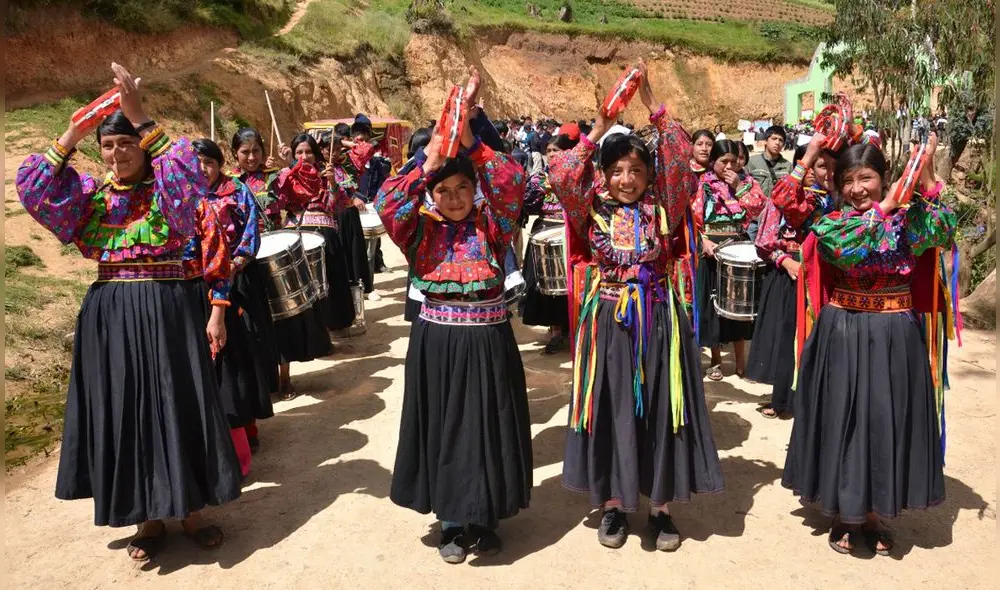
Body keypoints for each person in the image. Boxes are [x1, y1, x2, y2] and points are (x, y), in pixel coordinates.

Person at [16, 64, 240, 561]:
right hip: (110, 316)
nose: (117, 154)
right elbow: (33, 190)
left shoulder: (169, 193)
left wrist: (138, 115)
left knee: (178, 403)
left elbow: (188, 177)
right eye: (108, 146)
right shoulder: (90, 199)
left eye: (126, 144)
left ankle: (192, 512)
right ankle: (147, 519)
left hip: (167, 310)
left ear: (141, 146)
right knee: (127, 409)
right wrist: (74, 132)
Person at [551, 62, 723, 552]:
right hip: (608, 320)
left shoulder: (664, 205)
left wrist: (652, 104)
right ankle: (613, 504)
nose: (627, 180)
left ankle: (660, 507)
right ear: (604, 174)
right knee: (613, 409)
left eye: (637, 170)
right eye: (616, 171)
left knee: (662, 410)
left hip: (660, 319)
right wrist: (600, 127)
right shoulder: (590, 207)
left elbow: (682, 158)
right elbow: (561, 174)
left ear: (650, 174)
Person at [377, 68, 532, 564]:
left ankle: (483, 517)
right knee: (444, 427)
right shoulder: (417, 229)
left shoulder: (495, 226)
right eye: (443, 190)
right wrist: (431, 156)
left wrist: (468, 137)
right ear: (431, 193)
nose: (454, 197)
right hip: (437, 343)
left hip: (488, 341)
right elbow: (387, 200)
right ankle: (449, 521)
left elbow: (512, 181)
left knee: (487, 426)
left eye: (464, 187)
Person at [782, 134, 956, 556]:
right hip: (843, 331)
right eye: (848, 180)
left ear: (884, 177)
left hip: (895, 336)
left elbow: (943, 230)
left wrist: (925, 172)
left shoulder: (906, 221)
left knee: (885, 421)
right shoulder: (833, 222)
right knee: (844, 420)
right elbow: (844, 248)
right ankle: (846, 513)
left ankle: (876, 513)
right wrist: (888, 204)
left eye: (867, 178)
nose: (857, 189)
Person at [193, 138, 275, 453]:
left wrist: (234, 265)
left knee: (237, 353)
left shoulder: (238, 191)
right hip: (195, 285)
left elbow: (251, 233)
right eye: (197, 164)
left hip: (236, 280)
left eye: (209, 163)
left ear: (220, 164)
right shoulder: (182, 196)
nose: (203, 169)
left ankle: (245, 423)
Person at [745, 139, 836, 418]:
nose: (827, 173)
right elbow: (765, 241)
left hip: (825, 276)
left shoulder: (839, 200)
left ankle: (818, 402)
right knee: (788, 338)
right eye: (820, 165)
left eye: (833, 167)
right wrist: (785, 262)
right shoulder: (787, 197)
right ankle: (782, 399)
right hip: (789, 275)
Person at [693, 139, 766, 380]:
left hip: (738, 246)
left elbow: (759, 209)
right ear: (713, 161)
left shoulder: (748, 182)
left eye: (733, 162)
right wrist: (703, 240)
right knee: (714, 306)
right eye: (724, 162)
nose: (729, 167)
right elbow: (692, 217)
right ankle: (715, 360)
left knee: (738, 307)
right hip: (711, 249)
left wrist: (739, 187)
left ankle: (740, 362)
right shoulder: (702, 184)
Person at [519, 131, 578, 354]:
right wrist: (536, 191)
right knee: (546, 285)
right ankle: (555, 331)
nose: (552, 154)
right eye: (549, 151)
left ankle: (570, 328)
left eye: (557, 150)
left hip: (569, 233)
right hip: (545, 230)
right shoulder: (539, 178)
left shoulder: (576, 176)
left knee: (570, 284)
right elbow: (528, 205)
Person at [746, 125, 792, 198]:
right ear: (765, 141)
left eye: (781, 140)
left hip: (779, 205)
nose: (777, 143)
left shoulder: (788, 166)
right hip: (758, 204)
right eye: (774, 139)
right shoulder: (751, 162)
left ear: (783, 145)